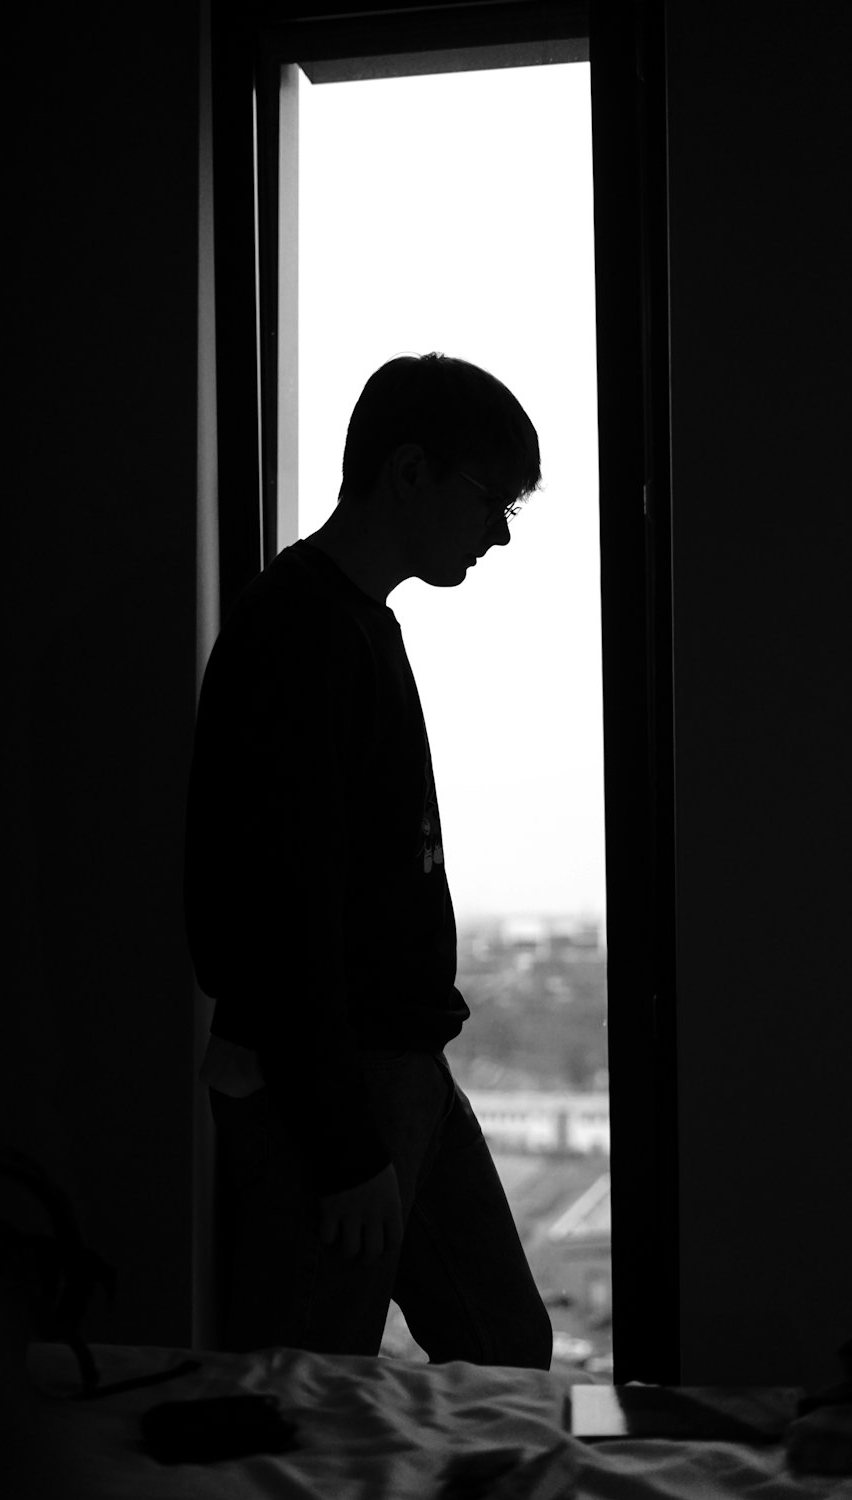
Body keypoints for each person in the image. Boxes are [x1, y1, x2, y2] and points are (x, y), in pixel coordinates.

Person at [184, 352, 553, 1366]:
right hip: (337, 1088)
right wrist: (345, 1148)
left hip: (397, 1070)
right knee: (307, 1395)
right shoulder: (299, 637)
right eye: (490, 500)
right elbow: (273, 921)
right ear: (409, 472)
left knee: (502, 1352)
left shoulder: (348, 625)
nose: (497, 533)